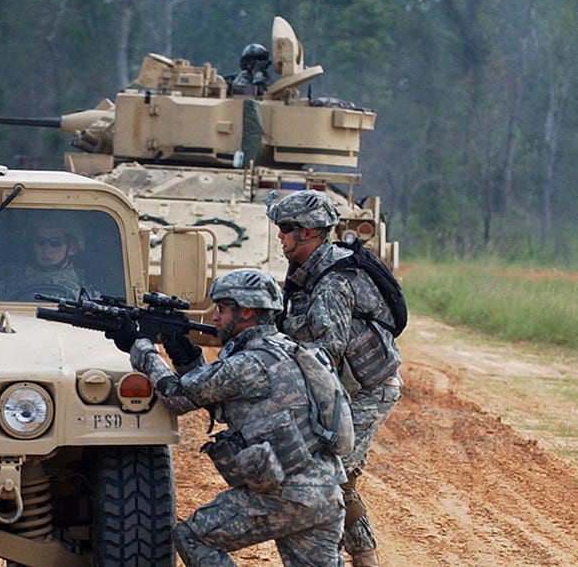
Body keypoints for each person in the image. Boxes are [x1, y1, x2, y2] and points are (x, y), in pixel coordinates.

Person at [111, 268, 346, 566]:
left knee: (193, 536)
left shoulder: (247, 363)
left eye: (222, 308)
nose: (214, 318)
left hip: (286, 497)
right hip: (326, 493)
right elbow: (216, 389)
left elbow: (176, 397)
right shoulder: (286, 349)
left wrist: (142, 348)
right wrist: (184, 354)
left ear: (246, 311)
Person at [266, 190, 402, 567]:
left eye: (287, 229)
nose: (280, 236)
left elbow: (328, 350)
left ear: (310, 232)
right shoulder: (305, 273)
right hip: (344, 388)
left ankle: (361, 556)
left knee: (332, 476)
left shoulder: (331, 281)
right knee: (337, 476)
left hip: (366, 392)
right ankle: (363, 554)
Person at [0, 215, 88, 301]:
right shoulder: (10, 282)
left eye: (55, 243)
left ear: (72, 247)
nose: (47, 250)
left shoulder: (85, 288)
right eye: (41, 242)